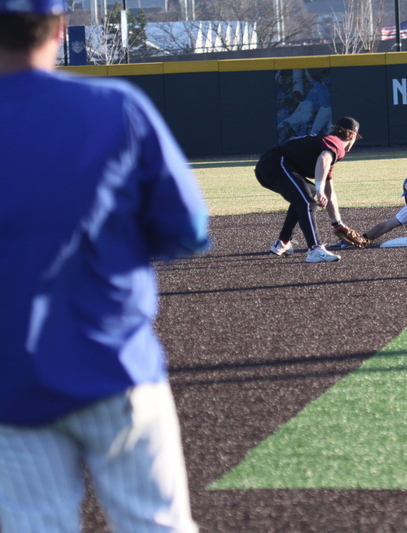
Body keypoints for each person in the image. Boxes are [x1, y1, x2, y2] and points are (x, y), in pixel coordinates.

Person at [0, 0, 209, 531]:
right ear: (60, 28)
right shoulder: (115, 105)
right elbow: (188, 229)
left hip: (10, 385)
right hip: (116, 367)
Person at [255, 116, 362, 263]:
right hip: (276, 163)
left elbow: (330, 192)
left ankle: (283, 241)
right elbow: (323, 160)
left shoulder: (327, 145)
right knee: (307, 202)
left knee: (306, 195)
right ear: (353, 135)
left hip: (270, 166)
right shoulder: (336, 142)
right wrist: (319, 190)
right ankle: (314, 249)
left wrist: (337, 223)